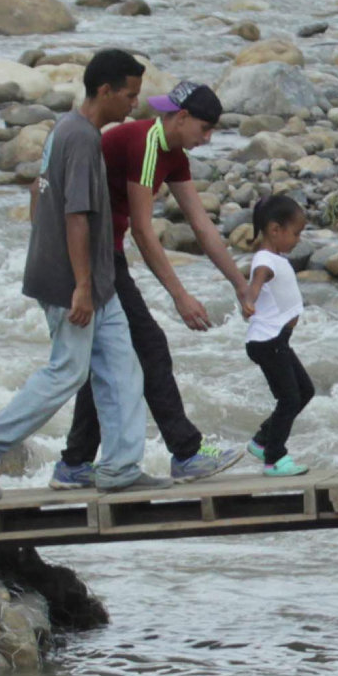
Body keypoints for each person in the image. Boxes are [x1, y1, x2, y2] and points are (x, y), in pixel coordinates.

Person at [0, 49, 149, 499]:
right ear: (105, 91)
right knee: (67, 371)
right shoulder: (82, 139)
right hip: (76, 283)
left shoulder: (66, 127)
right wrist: (80, 286)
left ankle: (122, 466)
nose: (134, 106)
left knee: (122, 369)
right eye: (129, 96)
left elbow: (37, 191)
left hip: (94, 280)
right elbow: (76, 215)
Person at [60, 79, 250, 487]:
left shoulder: (172, 151)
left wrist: (239, 284)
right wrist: (180, 296)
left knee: (108, 355)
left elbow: (201, 224)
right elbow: (144, 232)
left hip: (100, 253)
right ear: (181, 117)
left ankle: (74, 463)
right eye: (204, 128)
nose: (208, 137)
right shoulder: (147, 144)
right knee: (149, 345)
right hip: (89, 255)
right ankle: (186, 453)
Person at [241, 191, 316, 476]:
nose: (298, 240)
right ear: (275, 230)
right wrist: (250, 298)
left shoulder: (274, 256)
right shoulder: (266, 260)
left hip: (276, 341)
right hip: (268, 342)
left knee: (304, 391)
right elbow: (259, 276)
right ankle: (274, 458)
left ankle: (262, 440)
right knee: (289, 399)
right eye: (296, 233)